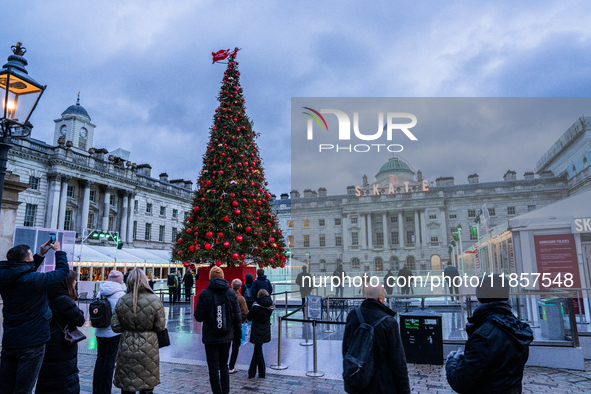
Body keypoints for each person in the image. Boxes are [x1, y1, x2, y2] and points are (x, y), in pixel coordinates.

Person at [0, 240, 69, 394]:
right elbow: (63, 271)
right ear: (26, 260)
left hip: (10, 339)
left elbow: (20, 272)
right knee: (24, 388)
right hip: (32, 340)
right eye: (31, 256)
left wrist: (39, 255)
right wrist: (59, 252)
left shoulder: (4, 277)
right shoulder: (35, 280)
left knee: (5, 386)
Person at [446, 274, 533, 394]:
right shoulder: (517, 327)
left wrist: (451, 362)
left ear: (480, 298)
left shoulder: (484, 336)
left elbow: (460, 381)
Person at [342, 284, 410, 394]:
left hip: (357, 382)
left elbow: (346, 350)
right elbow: (398, 362)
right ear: (381, 298)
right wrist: (404, 391)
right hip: (382, 385)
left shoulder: (353, 315)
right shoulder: (389, 322)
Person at [112, 268, 166, 394]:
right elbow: (160, 326)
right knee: (146, 384)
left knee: (127, 385)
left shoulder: (122, 300)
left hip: (127, 345)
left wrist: (128, 327)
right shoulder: (155, 300)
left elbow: (115, 326)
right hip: (148, 347)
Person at [36, 270, 86, 393]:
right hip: (62, 344)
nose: (76, 283)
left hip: (47, 341)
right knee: (63, 379)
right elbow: (79, 319)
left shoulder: (46, 297)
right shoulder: (63, 299)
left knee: (47, 377)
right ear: (69, 282)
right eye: (74, 280)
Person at [194, 266, 241, 394]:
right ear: (222, 277)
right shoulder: (231, 293)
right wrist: (238, 336)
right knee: (224, 366)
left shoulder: (205, 293)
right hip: (227, 335)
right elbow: (238, 316)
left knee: (213, 368)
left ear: (210, 277)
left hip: (210, 337)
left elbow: (198, 317)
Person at [93, 270, 126, 394]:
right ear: (120, 281)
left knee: (100, 359)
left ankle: (96, 389)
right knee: (110, 361)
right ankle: (105, 390)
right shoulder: (121, 294)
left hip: (100, 329)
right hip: (114, 332)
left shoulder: (100, 292)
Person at [246, 289, 274, 379]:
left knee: (257, 350)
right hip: (265, 329)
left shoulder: (255, 306)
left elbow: (249, 317)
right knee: (258, 349)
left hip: (256, 329)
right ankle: (253, 372)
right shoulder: (270, 306)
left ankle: (260, 372)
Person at [229, 278, 249, 374]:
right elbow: (245, 312)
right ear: (240, 287)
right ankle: (231, 366)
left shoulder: (227, 296)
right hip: (237, 325)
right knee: (235, 347)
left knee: (225, 345)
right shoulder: (241, 298)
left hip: (227, 325)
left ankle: (223, 365)